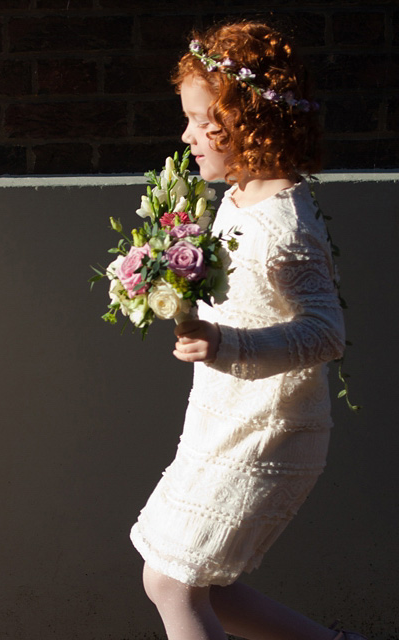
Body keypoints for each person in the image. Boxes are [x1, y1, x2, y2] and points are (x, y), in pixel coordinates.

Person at [129, 22, 365, 640]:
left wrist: (228, 345)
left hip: (271, 429)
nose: (186, 135)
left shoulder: (284, 224)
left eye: (200, 119)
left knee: (173, 582)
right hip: (223, 417)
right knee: (203, 585)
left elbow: (324, 332)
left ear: (247, 119)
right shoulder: (237, 199)